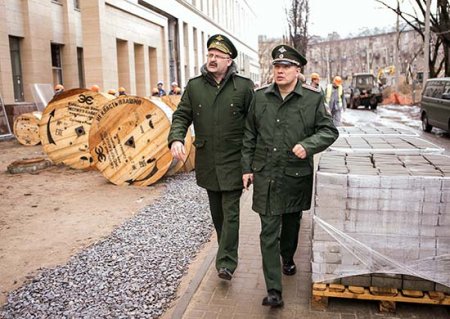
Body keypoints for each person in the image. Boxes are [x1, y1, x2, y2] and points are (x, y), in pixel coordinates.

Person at [241, 44, 338, 307]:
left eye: (286, 67)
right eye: (277, 66)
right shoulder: (260, 97)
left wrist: (308, 146)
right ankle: (274, 290)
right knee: (268, 230)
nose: (280, 71)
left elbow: (329, 131)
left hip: (294, 175)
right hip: (266, 175)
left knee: (292, 222)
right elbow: (250, 134)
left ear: (298, 70)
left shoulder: (312, 98)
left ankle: (288, 256)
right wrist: (247, 168)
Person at [168, 34, 254, 281]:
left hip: (235, 161)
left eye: (218, 56)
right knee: (217, 214)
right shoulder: (195, 86)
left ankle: (226, 262)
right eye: (210, 55)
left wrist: (251, 165)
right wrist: (176, 138)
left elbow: (253, 127)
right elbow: (182, 115)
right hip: (208, 161)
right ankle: (225, 251)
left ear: (229, 61)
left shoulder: (244, 87)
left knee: (231, 212)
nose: (212, 59)